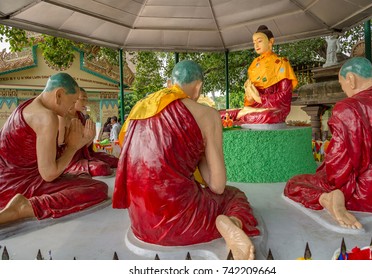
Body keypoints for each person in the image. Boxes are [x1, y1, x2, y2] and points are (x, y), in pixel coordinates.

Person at [113, 60, 259, 260]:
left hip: (140, 220)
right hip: (181, 220)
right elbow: (217, 186)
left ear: (169, 83)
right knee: (234, 196)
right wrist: (197, 153)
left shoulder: (141, 109)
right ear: (198, 86)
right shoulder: (206, 114)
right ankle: (233, 223)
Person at [284, 57, 372, 229]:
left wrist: (331, 183)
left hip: (371, 195)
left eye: (342, 85)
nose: (344, 90)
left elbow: (337, 169)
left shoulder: (348, 107)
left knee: (295, 183)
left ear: (351, 79)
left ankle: (328, 198)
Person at [0, 73, 108, 226]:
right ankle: (24, 208)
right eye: (71, 102)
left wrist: (82, 141)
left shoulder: (30, 106)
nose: (72, 107)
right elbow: (49, 174)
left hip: (10, 181)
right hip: (16, 187)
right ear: (59, 95)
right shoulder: (46, 117)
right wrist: (72, 147)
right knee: (98, 188)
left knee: (83, 179)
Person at [221, 25, 298, 125]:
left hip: (273, 110)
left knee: (268, 116)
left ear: (271, 42)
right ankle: (245, 114)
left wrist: (259, 98)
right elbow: (250, 100)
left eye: (259, 41)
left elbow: (285, 97)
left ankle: (242, 116)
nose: (256, 45)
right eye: (254, 42)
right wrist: (250, 98)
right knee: (221, 114)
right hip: (254, 109)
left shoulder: (282, 63)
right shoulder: (254, 65)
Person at [59, 87, 118, 177]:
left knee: (115, 161)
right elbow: (62, 149)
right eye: (83, 99)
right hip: (70, 160)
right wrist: (86, 138)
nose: (85, 102)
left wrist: (90, 137)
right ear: (73, 98)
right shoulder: (63, 117)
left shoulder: (81, 116)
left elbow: (86, 148)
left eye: (86, 99)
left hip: (85, 156)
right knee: (102, 168)